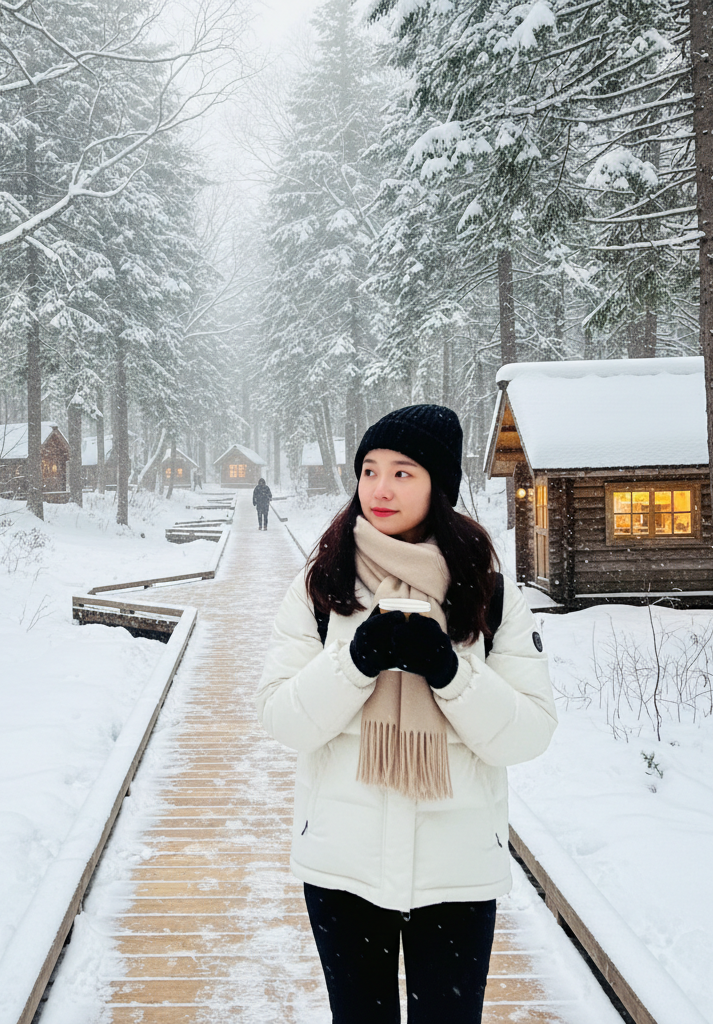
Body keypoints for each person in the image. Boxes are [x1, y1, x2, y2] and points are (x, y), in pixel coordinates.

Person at [256, 405, 557, 1024]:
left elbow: (527, 733)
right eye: (369, 470)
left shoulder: (488, 592)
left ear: (438, 488)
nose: (380, 488)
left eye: (402, 472)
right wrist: (355, 662)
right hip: (343, 867)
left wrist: (451, 674)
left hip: (457, 872)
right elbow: (283, 719)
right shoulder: (322, 585)